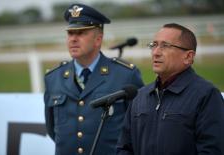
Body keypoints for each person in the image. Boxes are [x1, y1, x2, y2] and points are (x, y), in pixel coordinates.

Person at [44, 3, 144, 155]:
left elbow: (140, 128)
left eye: (81, 33)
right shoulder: (54, 78)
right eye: (70, 33)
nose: (73, 39)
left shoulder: (125, 75)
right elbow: (53, 130)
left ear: (98, 39)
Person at [117, 23, 224, 155]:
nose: (155, 53)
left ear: (188, 57)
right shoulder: (140, 96)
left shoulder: (206, 95)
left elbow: (211, 150)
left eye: (165, 46)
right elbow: (124, 148)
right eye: (154, 45)